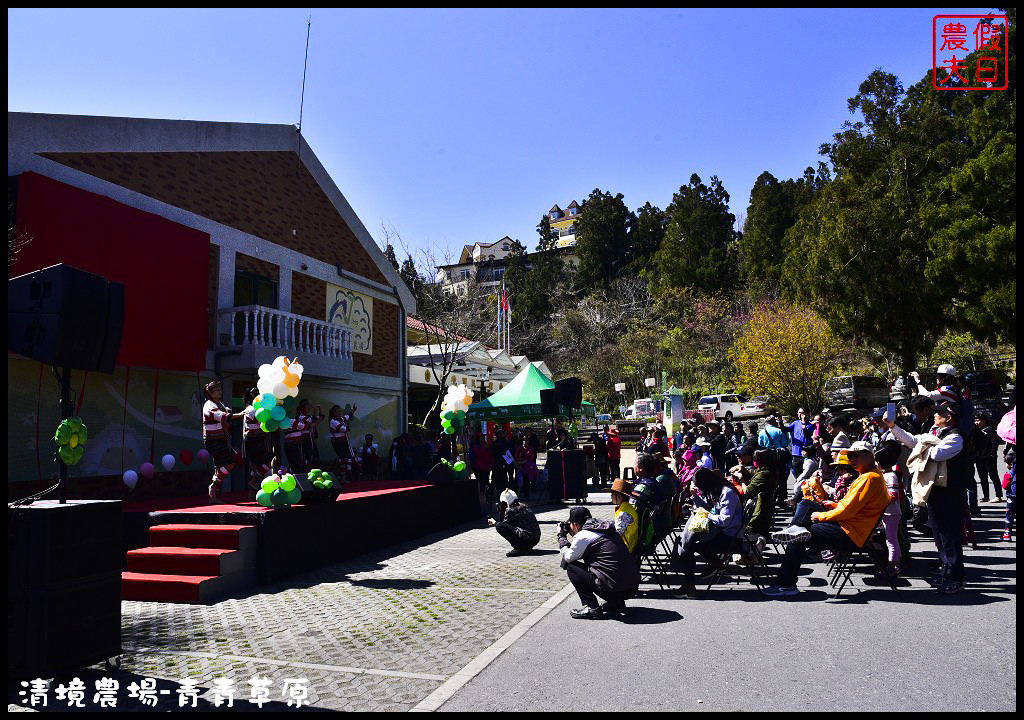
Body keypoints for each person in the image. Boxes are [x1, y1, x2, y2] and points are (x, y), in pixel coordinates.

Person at [764, 443, 890, 596]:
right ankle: (797, 528)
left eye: (856, 455)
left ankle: (786, 584)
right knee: (806, 503)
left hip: (851, 533)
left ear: (870, 455)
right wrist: (834, 505)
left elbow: (848, 511)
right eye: (850, 456)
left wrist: (821, 516)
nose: (852, 459)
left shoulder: (869, 478)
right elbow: (853, 507)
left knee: (799, 538)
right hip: (850, 526)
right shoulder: (870, 476)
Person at [883, 400, 972, 593]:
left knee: (950, 535)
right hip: (934, 490)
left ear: (948, 417)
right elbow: (913, 441)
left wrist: (921, 446)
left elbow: (937, 454)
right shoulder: (935, 433)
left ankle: (956, 576)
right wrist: (893, 426)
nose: (934, 414)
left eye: (939, 412)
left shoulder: (956, 436)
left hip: (950, 491)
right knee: (939, 534)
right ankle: (946, 569)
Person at [671, 468, 744, 598]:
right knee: (690, 542)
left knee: (689, 546)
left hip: (731, 536)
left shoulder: (727, 493)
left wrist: (707, 515)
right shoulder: (717, 490)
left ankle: (690, 585)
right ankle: (712, 563)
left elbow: (724, 521)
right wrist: (694, 495)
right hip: (720, 532)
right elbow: (707, 507)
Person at [558, 506, 641, 618]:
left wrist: (561, 537)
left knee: (571, 567)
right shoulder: (608, 528)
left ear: (576, 525)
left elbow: (568, 558)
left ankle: (592, 608)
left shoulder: (583, 536)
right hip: (632, 588)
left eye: (571, 524)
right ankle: (617, 604)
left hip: (614, 590)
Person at [202, 381, 244, 503]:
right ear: (210, 392)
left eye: (220, 389)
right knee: (230, 464)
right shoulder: (209, 406)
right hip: (212, 441)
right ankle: (214, 485)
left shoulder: (218, 404)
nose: (220, 391)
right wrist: (240, 414)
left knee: (220, 467)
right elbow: (223, 417)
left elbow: (225, 415)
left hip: (220, 439)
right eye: (216, 390)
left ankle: (213, 497)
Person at [873, 439, 906, 576]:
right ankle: (895, 563)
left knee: (891, 540)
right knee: (892, 539)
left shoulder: (890, 476)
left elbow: (892, 495)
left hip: (891, 513)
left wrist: (879, 502)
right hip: (889, 512)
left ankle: (893, 565)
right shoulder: (887, 475)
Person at [488, 489, 541, 556]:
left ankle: (520, 548)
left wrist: (494, 522)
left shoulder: (511, 510)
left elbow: (504, 526)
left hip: (527, 540)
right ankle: (525, 548)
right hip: (536, 538)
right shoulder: (524, 505)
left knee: (499, 526)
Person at [242, 388, 274, 495]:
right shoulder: (252, 409)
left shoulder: (256, 408)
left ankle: (252, 488)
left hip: (257, 439)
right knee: (269, 461)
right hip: (253, 440)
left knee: (257, 466)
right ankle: (253, 480)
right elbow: (260, 419)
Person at [744, 449, 777, 544]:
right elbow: (754, 473)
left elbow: (747, 491)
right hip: (764, 511)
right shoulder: (768, 471)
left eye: (755, 459)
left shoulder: (764, 475)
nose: (753, 461)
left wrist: (741, 479)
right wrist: (744, 470)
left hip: (759, 515)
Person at [971, 414, 1003, 504]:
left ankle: (998, 495)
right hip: (979, 456)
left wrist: (993, 453)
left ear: (984, 421)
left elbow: (994, 442)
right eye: (975, 420)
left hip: (989, 456)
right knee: (982, 477)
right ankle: (986, 496)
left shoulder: (989, 429)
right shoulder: (976, 430)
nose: (977, 422)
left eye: (979, 420)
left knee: (993, 476)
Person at [328, 404, 357, 482]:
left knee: (347, 459)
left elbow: (347, 416)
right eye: (338, 411)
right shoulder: (333, 422)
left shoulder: (340, 419)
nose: (340, 412)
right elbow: (343, 429)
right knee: (344, 459)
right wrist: (348, 424)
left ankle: (346, 476)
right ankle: (346, 476)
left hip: (344, 442)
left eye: (340, 410)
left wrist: (353, 410)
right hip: (338, 444)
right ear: (333, 412)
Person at [611, 478, 640, 553]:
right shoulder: (627, 507)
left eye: (612, 495)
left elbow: (617, 534)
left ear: (619, 497)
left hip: (625, 547)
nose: (611, 497)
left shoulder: (624, 513)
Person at [787, 408, 814, 478]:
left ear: (807, 414)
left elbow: (807, 434)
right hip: (796, 454)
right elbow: (785, 429)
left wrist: (804, 423)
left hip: (807, 454)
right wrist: (780, 421)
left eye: (802, 413)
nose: (800, 415)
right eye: (799, 413)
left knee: (807, 476)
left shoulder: (811, 424)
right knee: (798, 476)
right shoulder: (795, 423)